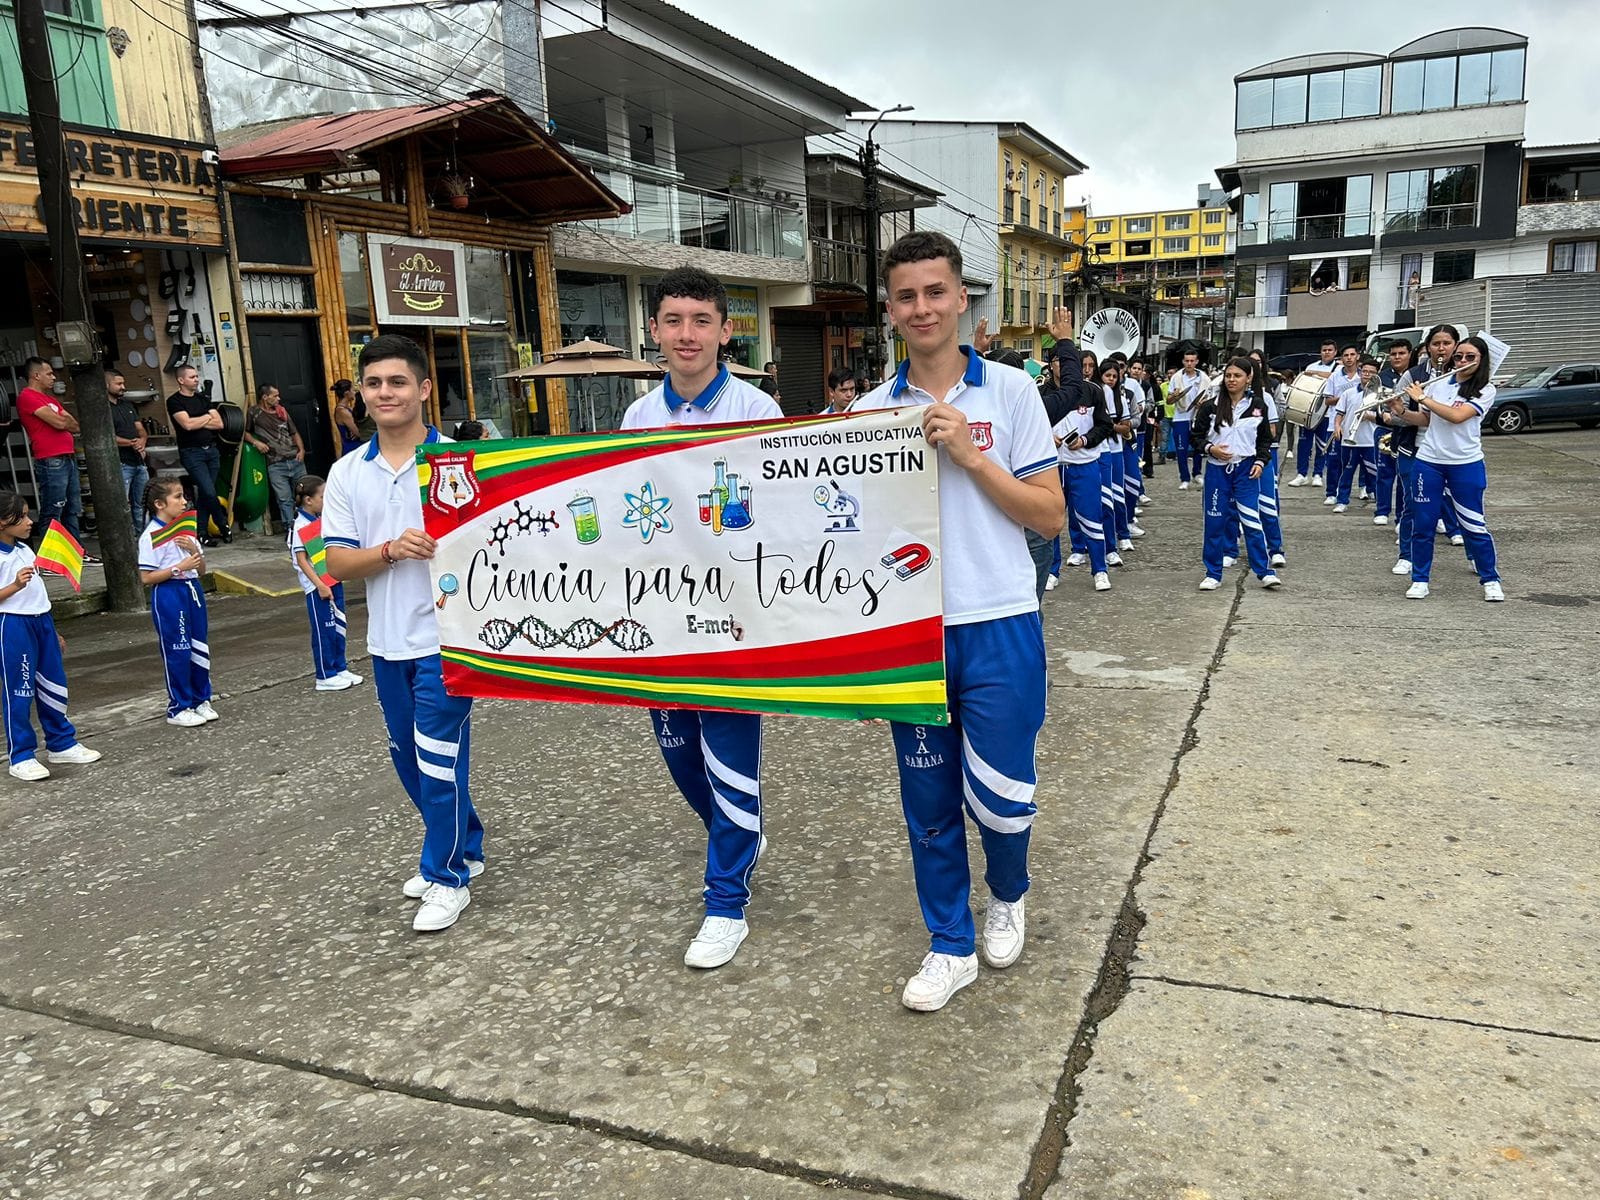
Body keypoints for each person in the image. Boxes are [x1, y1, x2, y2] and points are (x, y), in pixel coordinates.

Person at [854, 231, 1064, 1012]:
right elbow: (857, 545)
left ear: (961, 299)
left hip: (1000, 620)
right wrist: (866, 660)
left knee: (1003, 796)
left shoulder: (1010, 393)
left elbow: (1049, 518)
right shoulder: (870, 414)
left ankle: (1008, 893)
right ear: (890, 311)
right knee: (929, 802)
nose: (922, 308)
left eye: (935, 292)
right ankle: (948, 944)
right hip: (912, 637)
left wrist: (973, 459)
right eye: (906, 296)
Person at [617, 269, 782, 968]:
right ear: (654, 329)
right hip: (659, 618)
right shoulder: (635, 419)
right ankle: (738, 835)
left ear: (725, 329)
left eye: (701, 320)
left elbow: (780, 518)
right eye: (674, 319)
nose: (687, 334)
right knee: (681, 755)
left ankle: (725, 903)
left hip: (733, 616)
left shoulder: (759, 410)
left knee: (729, 757)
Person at [324, 335, 485, 934]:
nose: (385, 393)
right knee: (408, 761)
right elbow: (336, 564)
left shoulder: (463, 465)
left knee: (439, 760)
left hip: (450, 641)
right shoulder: (347, 472)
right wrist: (391, 551)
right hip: (386, 642)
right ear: (362, 396)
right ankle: (464, 843)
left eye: (397, 382)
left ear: (423, 390)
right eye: (373, 384)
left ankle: (447, 876)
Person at [0, 492, 102, 781]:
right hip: (13, 625)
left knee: (54, 684)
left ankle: (61, 742)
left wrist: (53, 629)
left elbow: (38, 593)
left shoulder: (25, 550)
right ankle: (21, 756)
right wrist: (14, 586)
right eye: (23, 517)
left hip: (41, 621)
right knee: (19, 691)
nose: (30, 522)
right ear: (2, 522)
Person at [1399, 336, 1503, 601]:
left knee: (1473, 524)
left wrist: (1422, 396)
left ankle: (1490, 578)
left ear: (1481, 361)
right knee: (1423, 524)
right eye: (1459, 357)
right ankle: (1420, 580)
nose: (1463, 362)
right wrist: (1399, 409)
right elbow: (1425, 419)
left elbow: (1457, 417)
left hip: (1465, 463)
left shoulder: (1485, 389)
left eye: (1470, 357)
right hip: (1429, 461)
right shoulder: (1440, 384)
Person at [1194, 357, 1281, 592]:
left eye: (1237, 376)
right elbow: (1196, 437)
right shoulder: (1210, 407)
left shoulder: (1258, 406)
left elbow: (1265, 439)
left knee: (1252, 521)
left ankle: (1264, 571)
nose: (1231, 380)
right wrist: (1210, 449)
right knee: (1215, 522)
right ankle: (1213, 573)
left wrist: (1261, 462)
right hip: (1217, 471)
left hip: (1245, 470)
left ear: (1248, 378)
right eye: (1228, 375)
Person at [137, 478, 216, 729]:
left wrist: (193, 548)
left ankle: (201, 698)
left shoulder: (185, 530)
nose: (184, 502)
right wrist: (177, 568)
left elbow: (201, 569)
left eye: (184, 496)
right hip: (169, 593)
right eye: (178, 497)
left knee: (199, 647)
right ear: (160, 504)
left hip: (192, 589)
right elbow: (146, 577)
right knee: (178, 650)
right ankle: (179, 706)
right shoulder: (152, 535)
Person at [290, 474, 362, 693]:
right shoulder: (300, 525)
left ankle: (339, 667)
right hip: (317, 587)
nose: (326, 500)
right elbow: (302, 560)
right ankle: (324, 674)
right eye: (322, 496)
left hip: (332, 579)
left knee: (338, 627)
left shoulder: (322, 521)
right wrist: (319, 584)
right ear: (308, 500)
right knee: (324, 630)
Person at [1051, 357, 1115, 592]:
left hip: (1084, 464)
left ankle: (1099, 569)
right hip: (1052, 467)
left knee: (1091, 518)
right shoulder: (1040, 393)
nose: (1064, 366)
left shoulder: (1092, 391)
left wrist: (1086, 440)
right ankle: (1051, 570)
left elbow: (1105, 425)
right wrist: (1047, 439)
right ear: (1051, 365)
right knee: (1050, 521)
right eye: (1058, 361)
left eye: (1068, 361)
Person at [17, 357, 87, 552]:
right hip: (50, 458)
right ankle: (51, 556)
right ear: (36, 375)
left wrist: (62, 420)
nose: (53, 377)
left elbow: (73, 424)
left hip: (67, 456)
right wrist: (61, 420)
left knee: (71, 508)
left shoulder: (50, 400)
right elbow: (60, 423)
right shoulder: (27, 396)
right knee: (53, 508)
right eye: (49, 373)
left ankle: (76, 551)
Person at [167, 364, 230, 546]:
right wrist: (205, 418)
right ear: (181, 380)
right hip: (191, 452)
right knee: (209, 491)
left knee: (205, 492)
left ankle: (201, 532)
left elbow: (219, 424)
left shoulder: (202, 399)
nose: (196, 379)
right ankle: (222, 523)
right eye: (192, 377)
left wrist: (198, 421)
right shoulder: (175, 401)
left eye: (196, 376)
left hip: (211, 450)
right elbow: (187, 425)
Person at [245, 383, 306, 533]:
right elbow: (244, 433)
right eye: (275, 396)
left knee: (304, 495)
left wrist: (302, 450)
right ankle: (290, 530)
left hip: (294, 458)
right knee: (284, 499)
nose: (279, 398)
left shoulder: (282, 411)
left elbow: (294, 432)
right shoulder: (254, 413)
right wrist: (256, 442)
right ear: (265, 397)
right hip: (275, 463)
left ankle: (308, 527)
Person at [1372, 340, 1416, 527]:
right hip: (1385, 429)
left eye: (1401, 353)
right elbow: (1375, 400)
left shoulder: (1416, 374)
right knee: (1384, 472)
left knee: (1404, 476)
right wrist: (1383, 414)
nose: (1397, 357)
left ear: (1409, 354)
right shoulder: (1381, 376)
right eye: (1393, 354)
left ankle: (1401, 517)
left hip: (1409, 430)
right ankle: (1382, 510)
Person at [1331, 357, 1382, 512]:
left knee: (1374, 472)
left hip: (1370, 440)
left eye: (1371, 372)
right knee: (1347, 471)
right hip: (1349, 440)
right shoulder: (1348, 393)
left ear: (1377, 374)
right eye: (1364, 371)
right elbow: (1340, 413)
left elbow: (1385, 416)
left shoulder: (1381, 393)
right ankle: (1342, 501)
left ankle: (1377, 498)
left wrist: (1370, 416)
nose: (1367, 374)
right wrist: (1337, 426)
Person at [1287, 338, 1339, 486]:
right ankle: (1301, 474)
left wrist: (1314, 373)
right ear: (1320, 352)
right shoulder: (1311, 365)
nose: (1327, 353)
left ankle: (1318, 474)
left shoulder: (1338, 369)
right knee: (1303, 444)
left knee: (1322, 445)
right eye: (1324, 350)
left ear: (1335, 352)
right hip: (1308, 410)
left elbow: (1333, 378)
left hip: (1327, 413)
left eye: (1330, 350)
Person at [1317, 345, 1362, 505]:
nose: (1349, 358)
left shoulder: (1364, 375)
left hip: (1358, 425)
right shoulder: (1334, 377)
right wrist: (1345, 397)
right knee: (1334, 461)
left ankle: (1363, 488)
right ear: (1341, 358)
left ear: (1357, 356)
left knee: (1357, 460)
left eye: (1352, 354)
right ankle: (1331, 492)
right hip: (1335, 424)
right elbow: (1328, 400)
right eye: (1346, 355)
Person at [108, 369, 150, 537]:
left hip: (138, 461)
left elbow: (140, 429)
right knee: (122, 504)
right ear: (106, 384)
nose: (123, 387)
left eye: (123, 383)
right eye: (118, 384)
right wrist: (131, 443)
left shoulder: (128, 405)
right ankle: (127, 539)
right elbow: (107, 437)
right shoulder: (104, 409)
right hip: (121, 462)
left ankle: (144, 538)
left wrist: (142, 441)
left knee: (143, 503)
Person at [1166, 351, 1207, 489]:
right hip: (1180, 417)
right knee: (1181, 449)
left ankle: (1197, 473)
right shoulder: (1176, 378)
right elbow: (1169, 400)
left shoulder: (1204, 378)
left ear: (1196, 362)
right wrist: (1175, 396)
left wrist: (1203, 403)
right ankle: (1185, 478)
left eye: (1192, 361)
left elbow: (1210, 398)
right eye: (1187, 361)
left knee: (1198, 447)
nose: (1189, 363)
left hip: (1197, 417)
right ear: (1183, 362)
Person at [333, 379, 363, 457]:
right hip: (352, 448)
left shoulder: (347, 408)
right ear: (347, 393)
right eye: (352, 389)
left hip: (356, 446)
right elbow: (359, 433)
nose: (354, 392)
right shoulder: (342, 411)